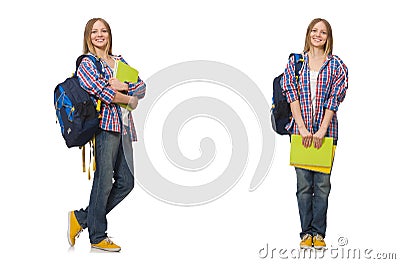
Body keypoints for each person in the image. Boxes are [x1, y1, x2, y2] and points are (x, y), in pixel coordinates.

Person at [67, 18, 146, 252]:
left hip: (124, 128)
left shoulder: (119, 61)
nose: (99, 35)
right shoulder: (87, 64)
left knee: (126, 182)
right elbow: (103, 92)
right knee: (103, 182)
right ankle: (97, 236)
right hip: (105, 127)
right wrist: (129, 98)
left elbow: (142, 87)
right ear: (88, 36)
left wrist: (123, 86)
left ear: (109, 34)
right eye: (94, 31)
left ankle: (81, 219)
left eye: (103, 31)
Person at [281, 18, 348, 249]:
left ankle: (318, 234)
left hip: (326, 134)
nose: (318, 35)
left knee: (321, 186)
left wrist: (321, 130)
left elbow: (335, 98)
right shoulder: (295, 63)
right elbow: (291, 93)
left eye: (323, 32)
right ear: (308, 33)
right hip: (300, 133)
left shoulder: (337, 65)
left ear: (329, 37)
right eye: (314, 30)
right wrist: (301, 127)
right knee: (303, 186)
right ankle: (305, 234)